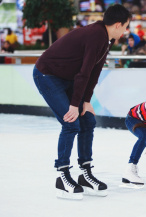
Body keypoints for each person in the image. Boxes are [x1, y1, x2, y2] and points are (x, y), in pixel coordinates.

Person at [33, 4, 132, 200]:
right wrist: (73, 105)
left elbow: (94, 72)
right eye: (126, 26)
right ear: (118, 24)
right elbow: (84, 73)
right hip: (47, 75)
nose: (126, 31)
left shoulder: (106, 38)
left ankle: (85, 174)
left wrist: (85, 101)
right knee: (71, 123)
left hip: (67, 77)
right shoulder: (96, 36)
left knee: (87, 121)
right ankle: (63, 175)